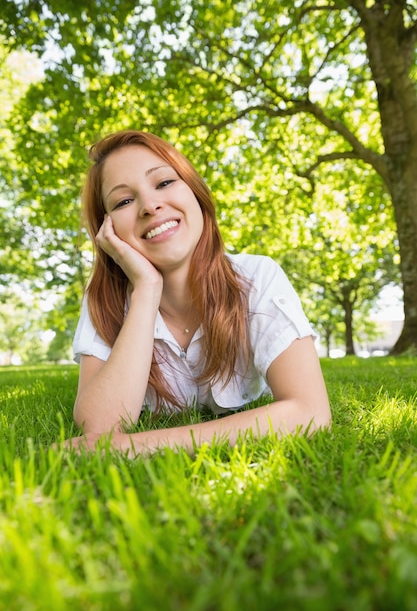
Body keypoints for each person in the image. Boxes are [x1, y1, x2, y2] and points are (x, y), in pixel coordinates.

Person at [68, 129, 331, 456]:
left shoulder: (258, 277)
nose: (150, 205)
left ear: (195, 192)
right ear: (108, 231)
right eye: (123, 201)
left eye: (164, 183)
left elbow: (310, 412)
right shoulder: (103, 300)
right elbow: (98, 428)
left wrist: (139, 446)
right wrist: (146, 290)